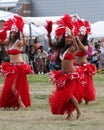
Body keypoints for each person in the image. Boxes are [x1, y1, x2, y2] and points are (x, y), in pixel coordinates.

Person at [48, 14, 84, 119]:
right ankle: (69, 113)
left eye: (69, 38)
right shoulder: (62, 49)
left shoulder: (72, 48)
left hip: (72, 75)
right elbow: (51, 45)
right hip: (63, 75)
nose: (68, 39)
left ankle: (79, 112)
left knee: (68, 94)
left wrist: (74, 38)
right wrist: (48, 36)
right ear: (64, 39)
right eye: (67, 38)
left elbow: (78, 48)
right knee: (65, 95)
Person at [0, 24, 33, 110]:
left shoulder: (18, 42)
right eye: (11, 33)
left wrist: (23, 35)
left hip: (18, 67)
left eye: (14, 33)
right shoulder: (9, 43)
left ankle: (21, 104)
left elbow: (24, 43)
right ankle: (17, 103)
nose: (12, 34)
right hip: (11, 66)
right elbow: (1, 41)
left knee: (12, 86)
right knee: (12, 86)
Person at [75, 19, 96, 105]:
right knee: (78, 84)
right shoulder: (76, 43)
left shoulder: (86, 44)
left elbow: (85, 50)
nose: (80, 37)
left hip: (84, 66)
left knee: (86, 84)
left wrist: (78, 40)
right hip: (76, 66)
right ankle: (78, 98)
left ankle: (87, 99)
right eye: (79, 35)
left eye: (82, 36)